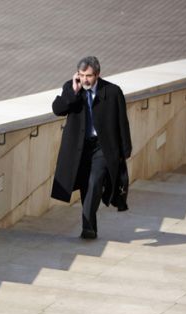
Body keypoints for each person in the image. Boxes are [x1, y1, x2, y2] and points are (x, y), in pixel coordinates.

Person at [51, 56, 132, 239]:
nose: (85, 79)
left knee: (95, 181)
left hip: (102, 147)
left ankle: (87, 226)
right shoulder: (72, 88)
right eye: (81, 75)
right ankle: (91, 227)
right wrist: (73, 91)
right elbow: (57, 109)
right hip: (79, 148)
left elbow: (122, 122)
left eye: (88, 76)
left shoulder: (112, 92)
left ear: (97, 74)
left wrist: (125, 149)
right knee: (86, 187)